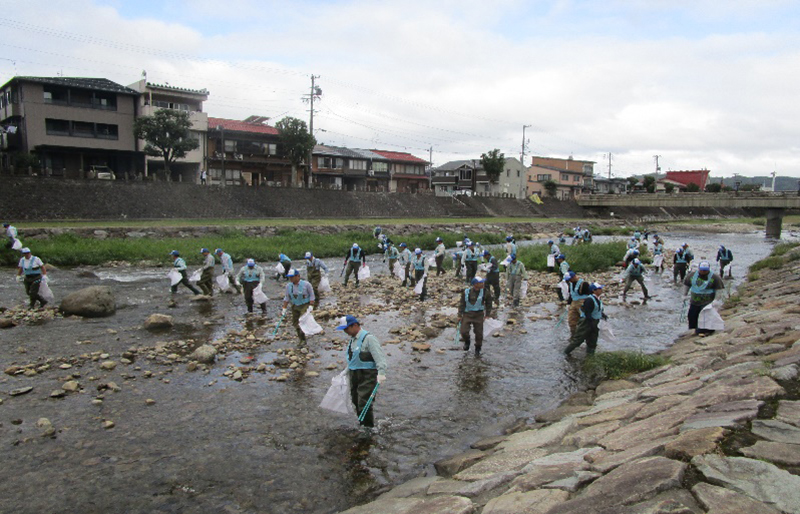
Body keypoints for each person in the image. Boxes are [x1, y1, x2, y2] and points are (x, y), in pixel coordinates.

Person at [336, 315, 387, 428]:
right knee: (355, 401)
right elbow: (353, 359)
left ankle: (369, 429)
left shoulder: (369, 338)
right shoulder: (352, 341)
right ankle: (362, 424)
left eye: (346, 329)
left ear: (354, 325)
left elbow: (380, 358)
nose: (345, 332)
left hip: (368, 375)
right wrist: (345, 371)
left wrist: (381, 373)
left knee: (364, 403)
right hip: (354, 374)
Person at [564, 282, 606, 357]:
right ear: (594, 290)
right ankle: (565, 353)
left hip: (595, 321)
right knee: (578, 340)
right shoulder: (589, 300)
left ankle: (590, 357)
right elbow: (587, 313)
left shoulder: (598, 299)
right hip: (586, 322)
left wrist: (602, 315)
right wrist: (591, 324)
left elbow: (597, 310)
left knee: (592, 341)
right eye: (599, 289)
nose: (601, 290)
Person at [683, 261, 724, 335]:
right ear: (699, 269)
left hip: (707, 302)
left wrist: (716, 300)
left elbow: (719, 289)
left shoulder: (715, 277)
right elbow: (687, 285)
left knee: (706, 317)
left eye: (705, 270)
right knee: (692, 316)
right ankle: (693, 329)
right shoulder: (691, 276)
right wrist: (684, 295)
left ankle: (706, 330)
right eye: (702, 270)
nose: (703, 271)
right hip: (694, 302)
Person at [458, 277, 493, 356]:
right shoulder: (466, 292)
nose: (483, 284)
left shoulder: (485, 292)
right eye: (481, 283)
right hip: (467, 314)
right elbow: (462, 304)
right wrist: (459, 315)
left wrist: (487, 314)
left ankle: (478, 348)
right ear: (475, 284)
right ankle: (467, 341)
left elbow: (489, 303)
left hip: (479, 315)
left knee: (479, 333)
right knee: (463, 331)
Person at [282, 269, 316, 343]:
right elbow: (287, 297)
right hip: (295, 305)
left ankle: (303, 339)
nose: (290, 279)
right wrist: (284, 308)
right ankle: (301, 338)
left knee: (302, 320)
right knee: (295, 323)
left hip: (304, 305)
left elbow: (312, 296)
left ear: (298, 276)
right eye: (289, 277)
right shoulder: (288, 286)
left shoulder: (306, 285)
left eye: (292, 277)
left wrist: (311, 305)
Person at [565, 271, 591, 336]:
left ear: (574, 277)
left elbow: (590, 295)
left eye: (570, 279)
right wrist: (568, 304)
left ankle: (587, 336)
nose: (569, 281)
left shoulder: (584, 284)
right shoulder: (570, 284)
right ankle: (574, 336)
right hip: (573, 303)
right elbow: (571, 294)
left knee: (584, 321)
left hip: (583, 303)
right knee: (571, 321)